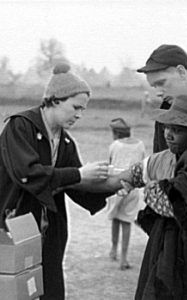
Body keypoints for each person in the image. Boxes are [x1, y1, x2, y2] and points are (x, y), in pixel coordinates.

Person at [95, 94, 187, 299]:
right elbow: (123, 178)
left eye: (178, 130)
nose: (168, 135)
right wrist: (75, 179)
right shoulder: (160, 160)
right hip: (162, 247)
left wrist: (155, 192)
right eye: (167, 127)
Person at [0, 63, 110, 300]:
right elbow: (27, 173)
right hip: (15, 223)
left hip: (50, 231)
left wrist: (119, 183)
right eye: (76, 107)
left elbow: (77, 188)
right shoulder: (20, 126)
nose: (79, 115)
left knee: (51, 291)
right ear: (54, 100)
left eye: (83, 110)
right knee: (16, 291)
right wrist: (80, 174)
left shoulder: (66, 142)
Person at [106, 117, 146, 270]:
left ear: (115, 133)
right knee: (126, 220)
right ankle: (124, 258)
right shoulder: (140, 144)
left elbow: (110, 163)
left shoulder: (114, 145)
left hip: (116, 185)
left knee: (115, 217)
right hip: (133, 186)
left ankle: (113, 250)